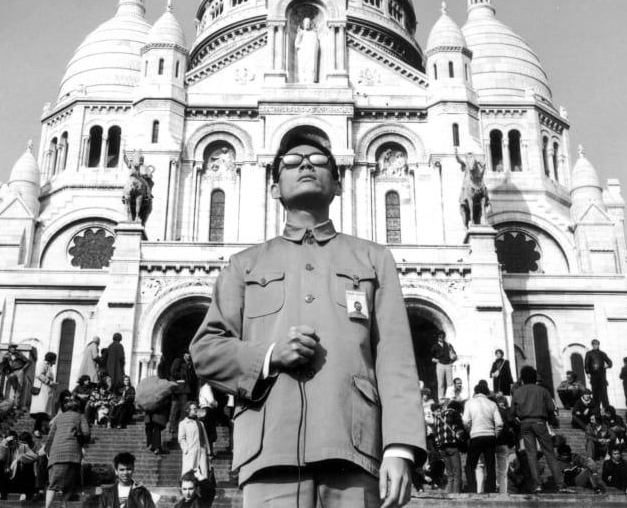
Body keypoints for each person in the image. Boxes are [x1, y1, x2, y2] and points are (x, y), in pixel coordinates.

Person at [190, 134, 426, 508]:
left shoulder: (374, 259)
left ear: (337, 183)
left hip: (355, 449)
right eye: (291, 161)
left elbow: (395, 358)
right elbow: (204, 350)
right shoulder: (244, 264)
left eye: (318, 160)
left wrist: (399, 446)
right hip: (269, 451)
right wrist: (269, 355)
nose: (305, 164)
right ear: (274, 188)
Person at [509, 365, 572, 494]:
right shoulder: (542, 390)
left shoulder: (517, 392)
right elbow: (551, 408)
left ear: (522, 379)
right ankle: (561, 484)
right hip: (539, 421)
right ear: (534, 378)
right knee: (549, 453)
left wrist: (519, 420)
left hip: (525, 424)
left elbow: (511, 413)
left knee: (531, 455)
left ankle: (537, 485)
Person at [43, 394, 90, 508]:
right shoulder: (80, 416)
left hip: (56, 454)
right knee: (70, 483)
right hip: (73, 453)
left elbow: (51, 436)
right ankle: (63, 504)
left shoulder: (59, 418)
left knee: (53, 484)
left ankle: (47, 506)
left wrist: (46, 450)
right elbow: (86, 433)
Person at [462, 380, 502, 493]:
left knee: (470, 465)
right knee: (490, 465)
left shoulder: (469, 403)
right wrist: (495, 434)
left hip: (476, 435)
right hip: (490, 436)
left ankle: (472, 489)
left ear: (475, 392)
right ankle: (491, 489)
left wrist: (470, 431)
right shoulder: (492, 404)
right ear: (487, 392)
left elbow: (465, 420)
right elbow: (499, 423)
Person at [0, 431, 38, 501]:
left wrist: (20, 458)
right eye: (10, 441)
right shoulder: (4, 448)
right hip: (7, 480)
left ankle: (24, 492)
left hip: (20, 480)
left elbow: (34, 457)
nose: (12, 442)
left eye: (14, 440)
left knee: (25, 463)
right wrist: (4, 444)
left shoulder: (23, 446)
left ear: (17, 440)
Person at [434, 398, 465, 493]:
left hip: (442, 448)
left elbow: (436, 433)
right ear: (458, 409)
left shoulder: (439, 416)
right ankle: (456, 497)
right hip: (452, 446)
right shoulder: (454, 413)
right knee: (456, 474)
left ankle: (449, 497)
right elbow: (460, 430)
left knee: (450, 474)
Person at [178, 401, 210, 477]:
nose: (196, 410)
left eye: (196, 409)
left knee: (203, 473)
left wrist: (208, 451)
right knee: (190, 473)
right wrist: (186, 449)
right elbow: (181, 438)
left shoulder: (200, 423)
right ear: (187, 410)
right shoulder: (183, 423)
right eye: (194, 409)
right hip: (191, 451)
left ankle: (203, 488)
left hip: (202, 451)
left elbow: (205, 438)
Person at [29, 352, 58, 437]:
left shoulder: (49, 366)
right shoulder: (43, 364)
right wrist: (49, 382)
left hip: (46, 391)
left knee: (43, 411)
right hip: (41, 390)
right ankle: (36, 429)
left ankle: (40, 428)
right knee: (40, 410)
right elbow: (38, 374)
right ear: (52, 359)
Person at [584, 339, 612, 414]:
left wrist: (607, 365)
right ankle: (596, 409)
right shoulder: (589, 353)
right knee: (595, 393)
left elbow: (610, 362)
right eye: (594, 344)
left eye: (597, 344)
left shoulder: (602, 353)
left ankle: (606, 408)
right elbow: (586, 364)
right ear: (592, 345)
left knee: (604, 393)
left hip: (602, 375)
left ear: (599, 345)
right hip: (593, 375)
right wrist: (588, 373)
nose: (596, 345)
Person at [2, 343, 30, 408]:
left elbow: (28, 362)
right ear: (9, 348)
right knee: (14, 387)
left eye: (15, 347)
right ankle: (14, 401)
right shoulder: (6, 355)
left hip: (19, 371)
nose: (14, 348)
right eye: (12, 347)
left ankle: (16, 404)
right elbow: (3, 364)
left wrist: (23, 369)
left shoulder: (19, 354)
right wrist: (4, 359)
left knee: (19, 387)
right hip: (11, 372)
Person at [430, 331, 456, 399]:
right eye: (439, 336)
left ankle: (450, 397)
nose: (441, 337)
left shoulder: (448, 345)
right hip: (440, 365)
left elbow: (454, 354)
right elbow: (431, 357)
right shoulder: (434, 346)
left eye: (442, 336)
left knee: (450, 383)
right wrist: (437, 361)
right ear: (437, 337)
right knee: (440, 382)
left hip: (448, 364)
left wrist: (452, 359)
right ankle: (440, 398)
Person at [294, 16, 319, 83]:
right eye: (305, 23)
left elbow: (316, 44)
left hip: (311, 52)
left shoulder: (313, 33)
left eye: (308, 23)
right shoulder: (301, 33)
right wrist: (300, 45)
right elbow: (297, 43)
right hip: (303, 52)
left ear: (310, 24)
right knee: (302, 66)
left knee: (311, 66)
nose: (307, 24)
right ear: (303, 24)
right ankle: (303, 79)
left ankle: (310, 79)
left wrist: (313, 46)